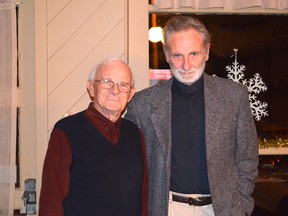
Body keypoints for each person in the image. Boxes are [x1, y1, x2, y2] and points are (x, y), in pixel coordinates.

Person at [125, 15, 258, 216]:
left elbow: (247, 158)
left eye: (193, 54)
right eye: (178, 55)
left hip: (221, 210)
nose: (186, 65)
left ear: (207, 52)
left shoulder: (234, 96)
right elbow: (128, 163)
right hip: (166, 209)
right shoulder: (142, 103)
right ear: (167, 55)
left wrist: (239, 206)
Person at [39, 58, 148, 216]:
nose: (115, 90)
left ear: (130, 94)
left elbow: (143, 195)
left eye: (123, 85)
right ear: (91, 88)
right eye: (106, 82)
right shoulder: (66, 131)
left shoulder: (135, 133)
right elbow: (51, 199)